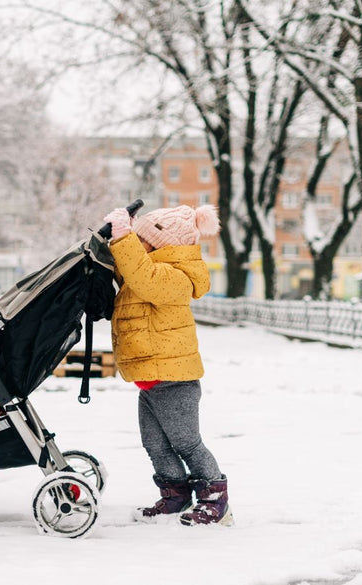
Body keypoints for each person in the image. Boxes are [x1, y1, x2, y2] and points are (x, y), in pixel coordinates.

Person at [102, 204, 233, 527]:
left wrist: (123, 237)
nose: (140, 246)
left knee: (187, 443)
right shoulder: (148, 269)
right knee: (155, 445)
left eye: (144, 241)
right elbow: (128, 270)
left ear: (164, 247)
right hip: (151, 379)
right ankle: (175, 495)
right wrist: (126, 234)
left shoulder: (176, 278)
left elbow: (143, 276)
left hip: (175, 379)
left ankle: (217, 502)